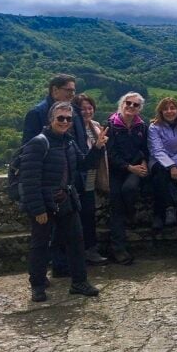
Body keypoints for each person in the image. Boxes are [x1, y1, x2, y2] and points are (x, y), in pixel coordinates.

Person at [20, 102, 106, 302]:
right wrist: (38, 209)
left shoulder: (68, 142)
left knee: (76, 241)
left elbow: (83, 164)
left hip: (66, 199)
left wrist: (97, 147)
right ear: (51, 119)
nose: (65, 122)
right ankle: (38, 286)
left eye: (68, 119)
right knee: (40, 244)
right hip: (44, 202)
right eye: (60, 118)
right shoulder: (38, 143)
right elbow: (29, 179)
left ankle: (79, 282)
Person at [105, 92, 149, 265]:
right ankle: (119, 249)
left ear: (140, 108)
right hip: (117, 170)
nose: (131, 106)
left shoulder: (141, 127)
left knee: (129, 189)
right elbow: (110, 153)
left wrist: (144, 162)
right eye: (128, 103)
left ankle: (129, 214)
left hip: (136, 167)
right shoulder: (110, 125)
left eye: (135, 105)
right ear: (121, 104)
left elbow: (146, 147)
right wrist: (129, 167)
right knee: (116, 204)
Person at [73, 93, 109, 266]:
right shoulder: (73, 127)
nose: (87, 112)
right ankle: (82, 251)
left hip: (92, 175)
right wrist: (98, 146)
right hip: (79, 175)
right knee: (80, 214)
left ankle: (90, 249)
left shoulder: (96, 126)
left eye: (90, 108)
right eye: (82, 109)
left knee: (88, 212)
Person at [148, 97, 177, 232]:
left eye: (172, 108)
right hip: (158, 162)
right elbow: (157, 150)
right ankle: (166, 210)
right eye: (165, 109)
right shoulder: (154, 127)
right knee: (160, 173)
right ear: (161, 112)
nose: (169, 111)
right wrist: (171, 166)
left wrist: (175, 164)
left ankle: (168, 212)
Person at [22, 73, 86, 146]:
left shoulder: (76, 112)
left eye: (74, 90)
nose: (72, 94)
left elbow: (83, 143)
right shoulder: (37, 113)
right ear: (55, 90)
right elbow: (28, 147)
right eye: (69, 90)